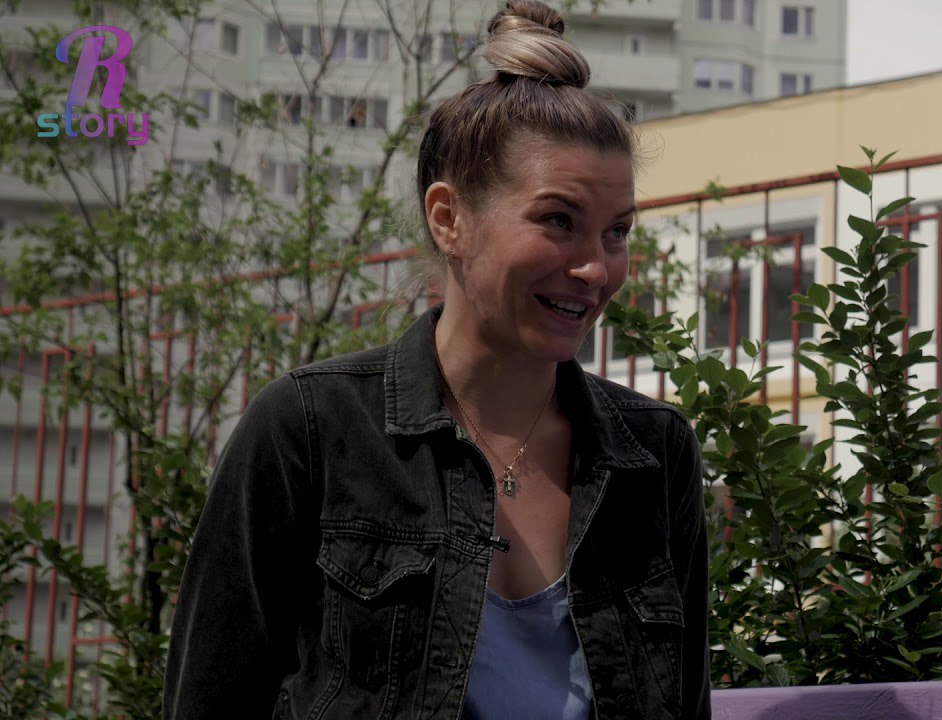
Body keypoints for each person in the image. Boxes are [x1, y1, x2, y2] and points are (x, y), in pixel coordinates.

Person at [161, 1, 711, 718]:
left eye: (617, 232)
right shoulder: (310, 431)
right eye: (558, 221)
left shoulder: (654, 455)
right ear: (449, 218)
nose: (594, 268)